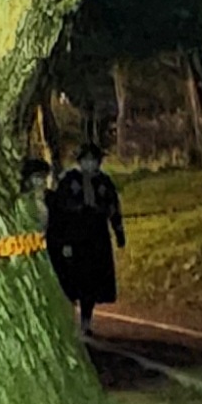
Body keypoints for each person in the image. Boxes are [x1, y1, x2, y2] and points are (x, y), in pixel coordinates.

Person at [45, 142, 126, 347]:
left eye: (94, 160)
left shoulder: (105, 183)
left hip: (96, 237)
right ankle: (69, 319)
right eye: (87, 160)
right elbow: (59, 213)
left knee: (91, 282)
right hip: (74, 236)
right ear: (80, 161)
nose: (90, 164)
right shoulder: (69, 182)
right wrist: (62, 240)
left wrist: (118, 231)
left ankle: (86, 321)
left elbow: (113, 207)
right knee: (72, 280)